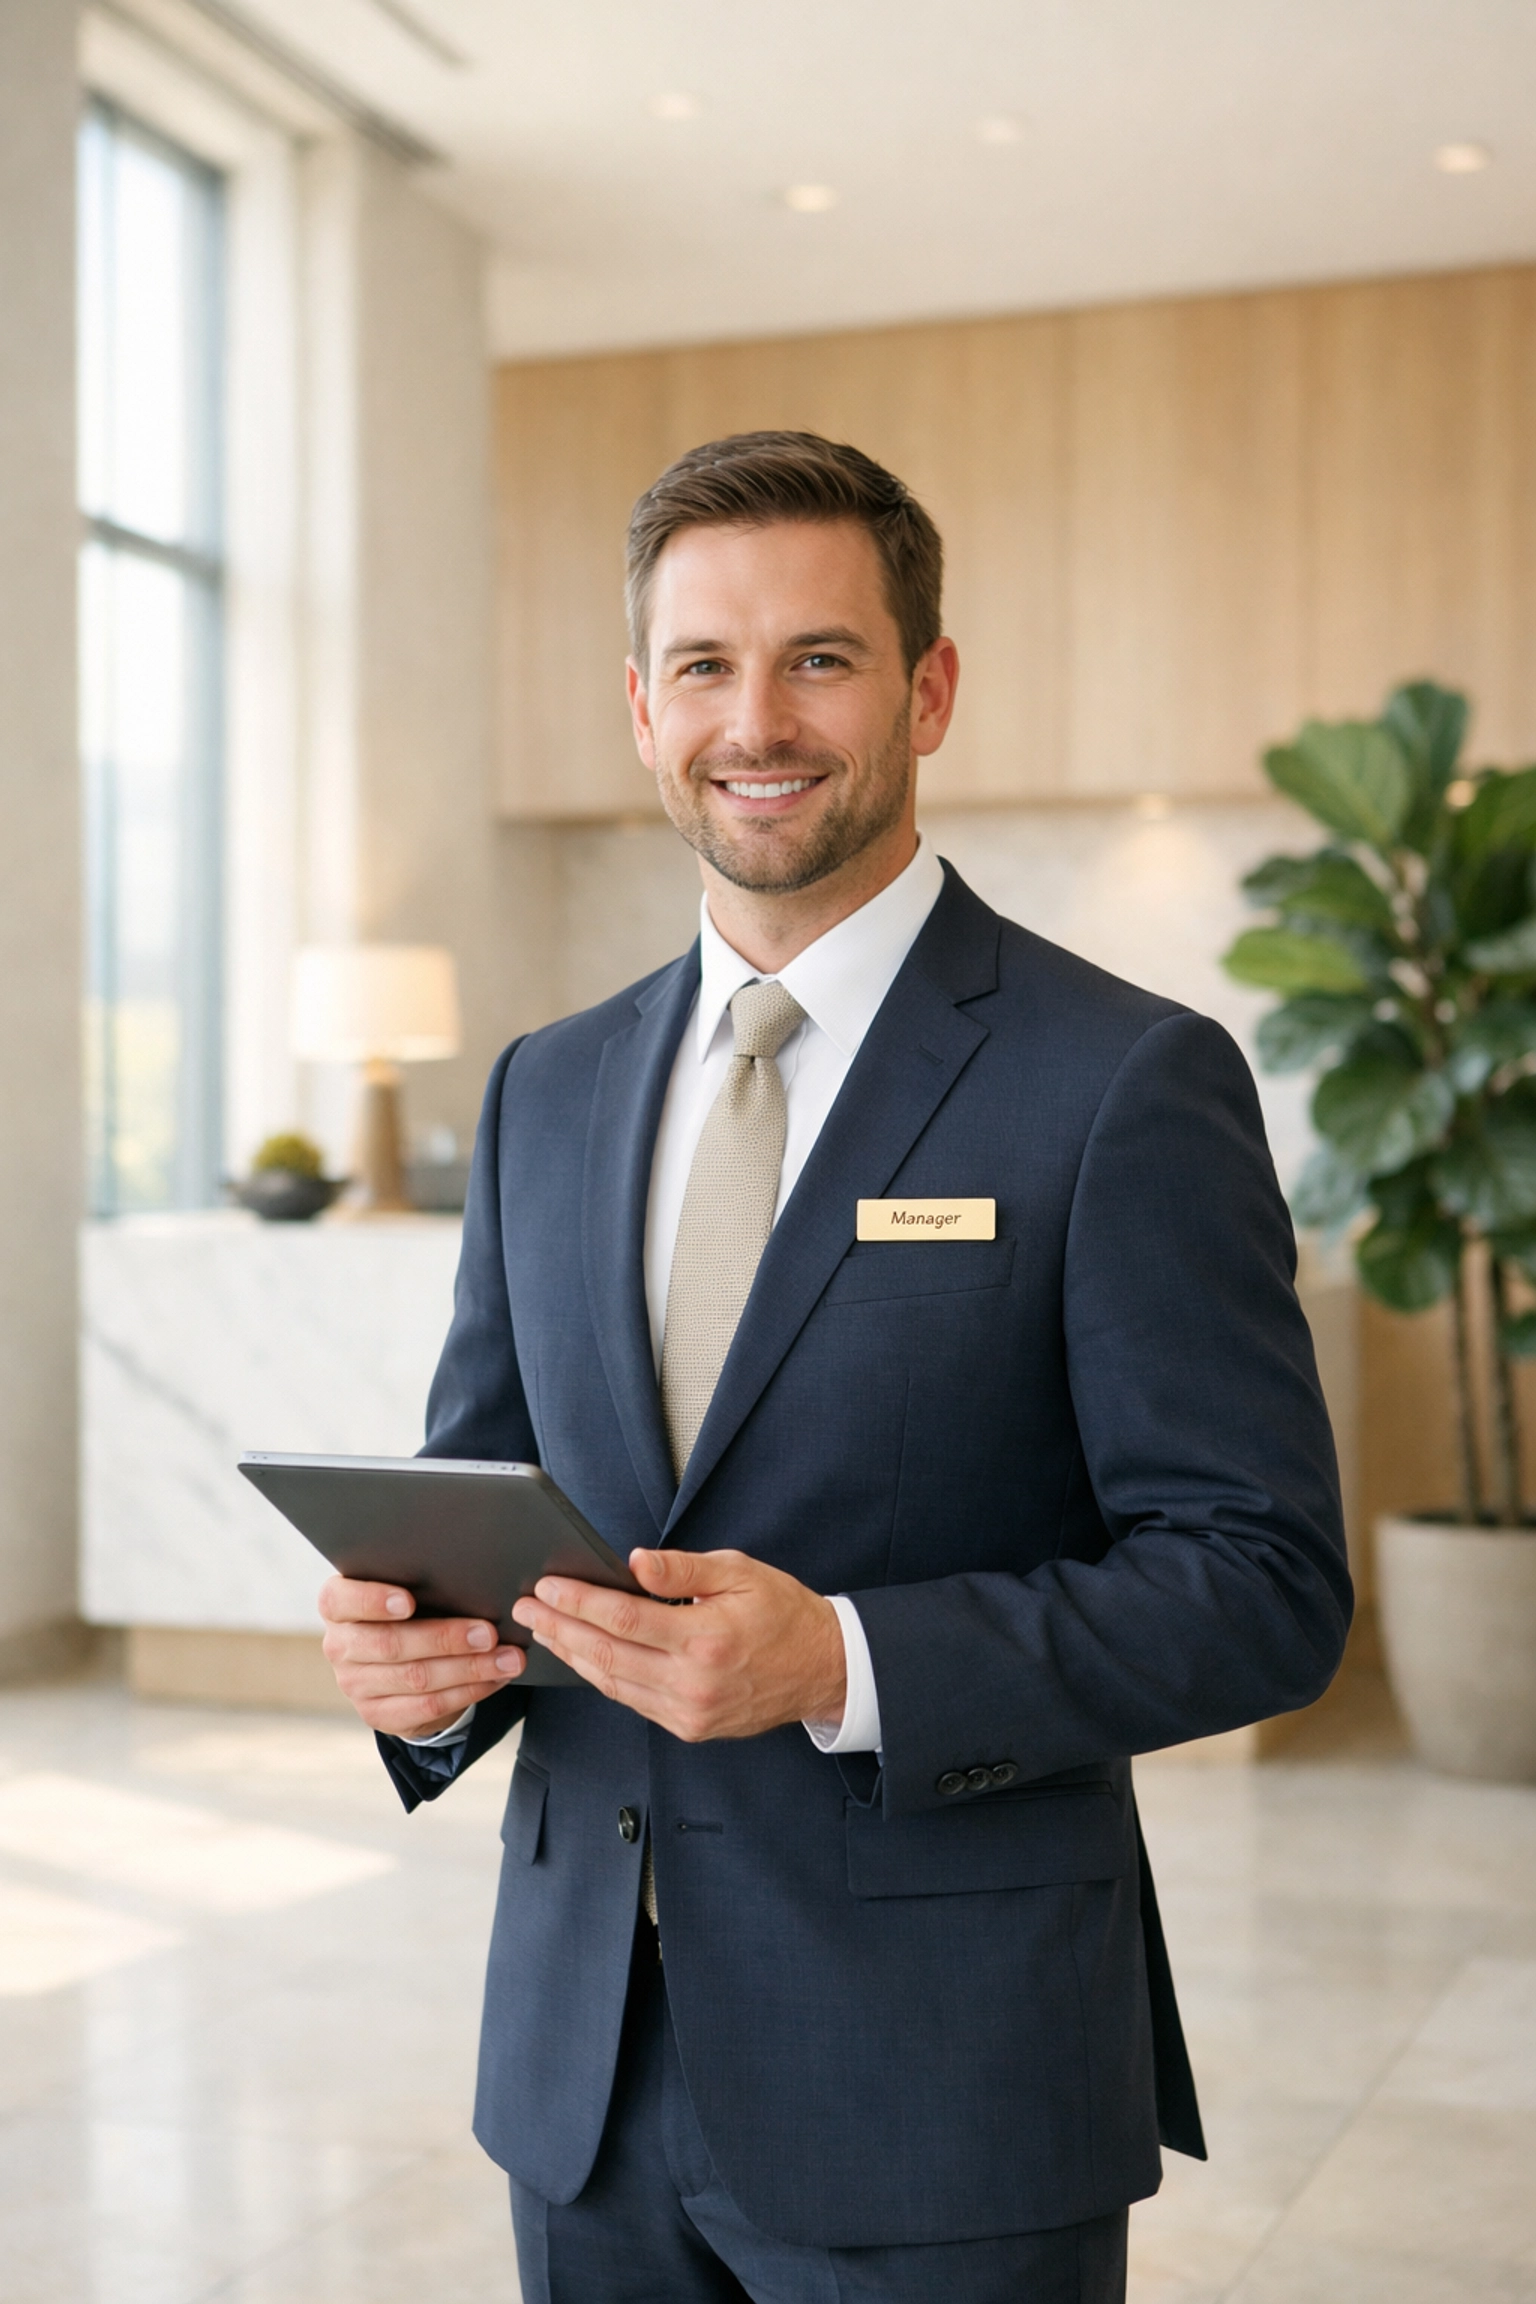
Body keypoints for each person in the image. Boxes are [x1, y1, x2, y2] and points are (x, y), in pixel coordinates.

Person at [319, 430, 1350, 2304]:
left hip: (944, 2087)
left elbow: (1263, 1589)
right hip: (582, 2079)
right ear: (642, 709)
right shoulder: (545, 1090)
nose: (756, 718)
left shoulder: (1120, 1080)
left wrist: (846, 1662)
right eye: (703, 666)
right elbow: (493, 1510)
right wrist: (424, 1670)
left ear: (928, 688)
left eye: (821, 656)